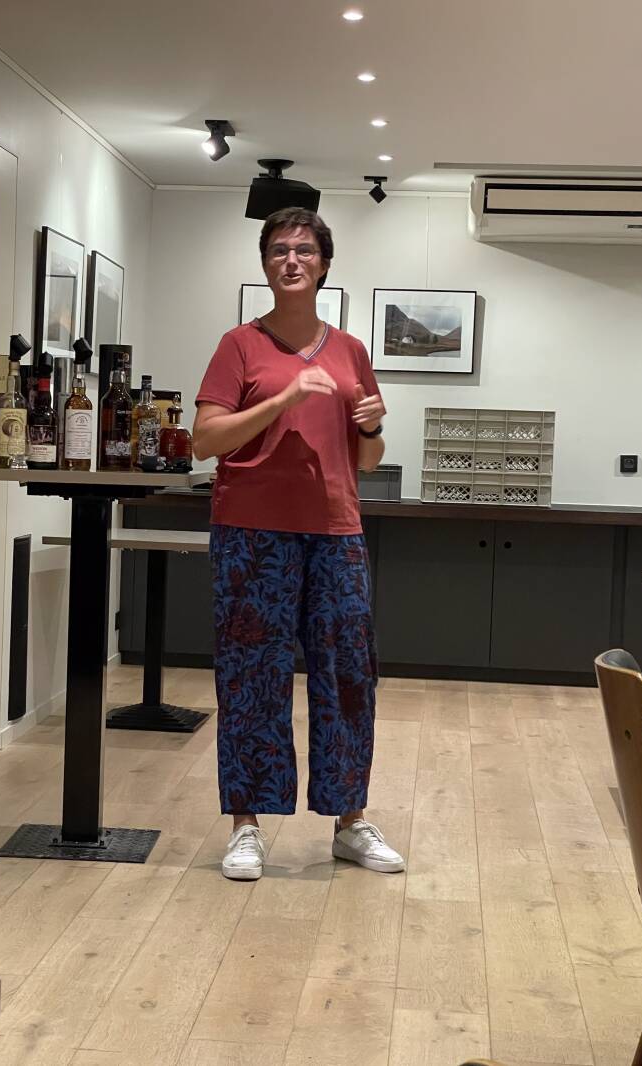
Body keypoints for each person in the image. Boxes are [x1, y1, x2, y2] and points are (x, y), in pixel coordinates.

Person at [193, 207, 405, 881]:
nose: (292, 260)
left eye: (305, 250)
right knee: (251, 676)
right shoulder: (239, 346)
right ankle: (246, 826)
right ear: (265, 265)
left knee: (348, 677)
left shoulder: (350, 352)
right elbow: (205, 440)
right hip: (251, 533)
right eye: (279, 250)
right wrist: (281, 400)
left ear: (324, 265)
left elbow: (367, 459)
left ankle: (350, 820)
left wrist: (371, 426)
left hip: (336, 531)